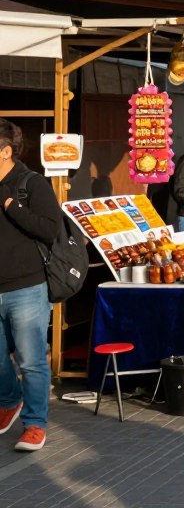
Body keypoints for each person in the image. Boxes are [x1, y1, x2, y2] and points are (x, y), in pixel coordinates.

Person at [0, 119, 59, 452]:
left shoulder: (30, 183)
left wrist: (10, 204)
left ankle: (35, 424)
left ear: (6, 151)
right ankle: (9, 401)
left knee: (32, 360)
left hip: (25, 288)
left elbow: (49, 229)